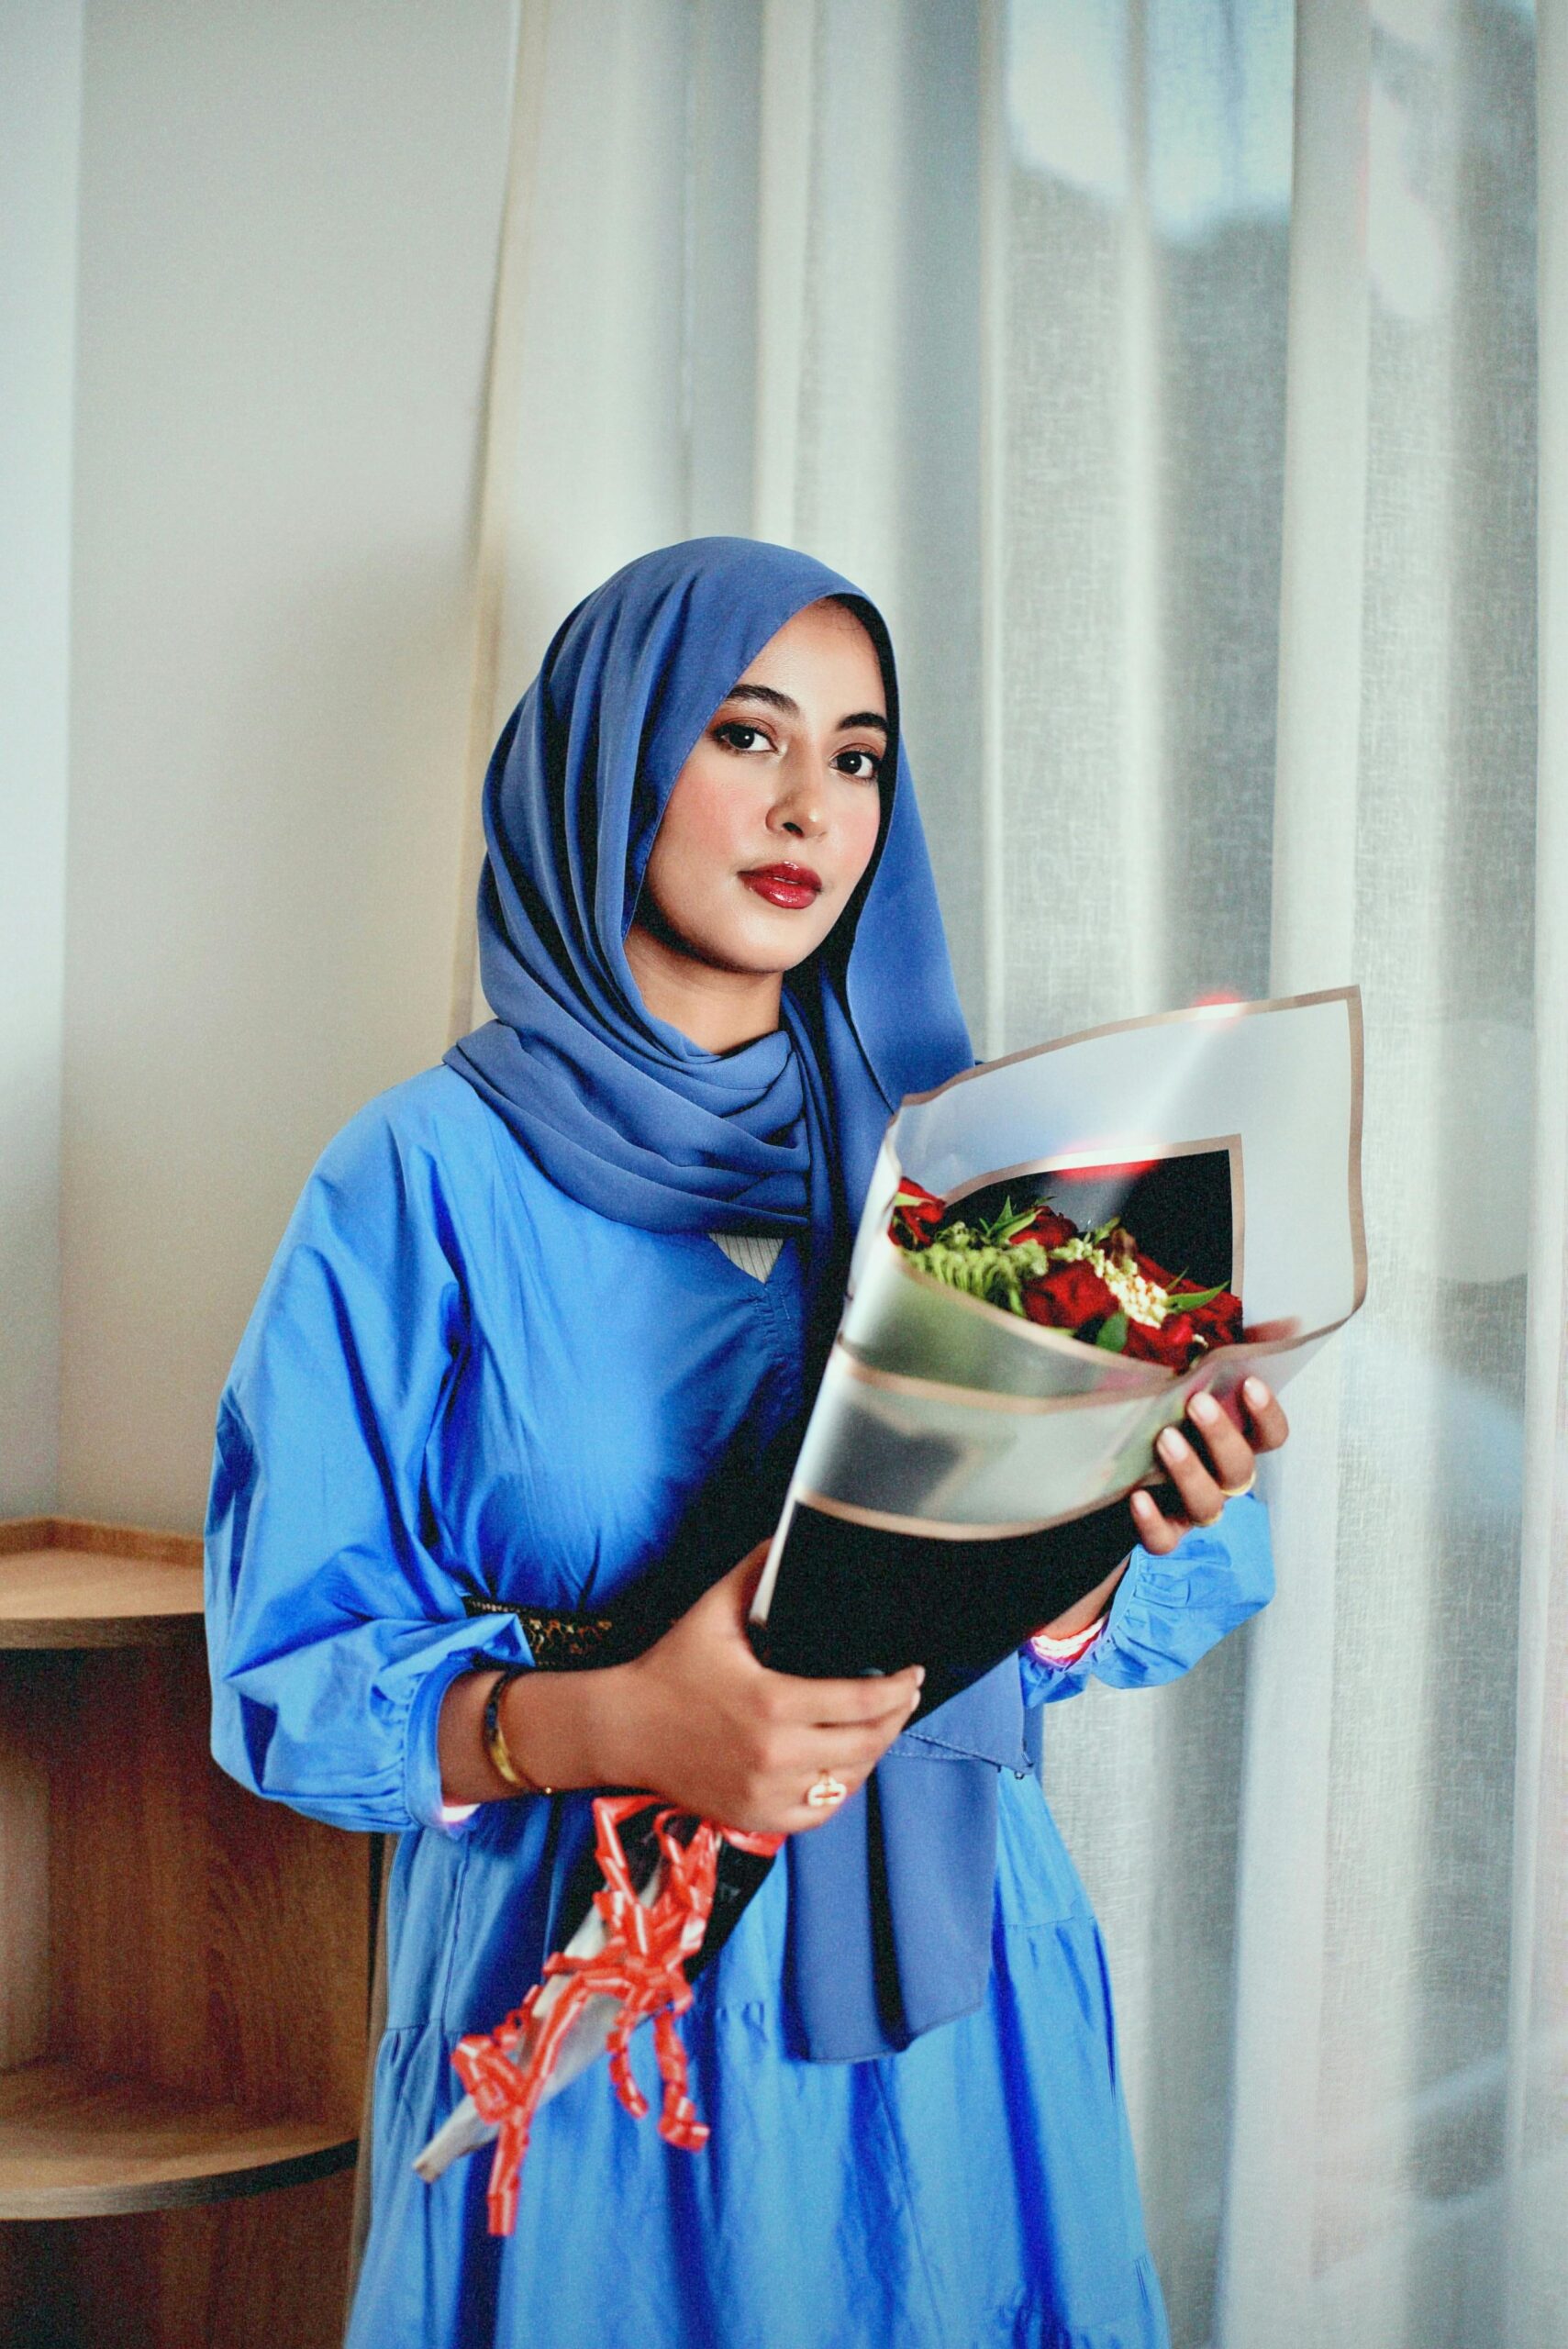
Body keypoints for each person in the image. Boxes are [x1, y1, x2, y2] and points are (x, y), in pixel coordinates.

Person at [205, 537, 1285, 2349]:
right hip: (593, 2016)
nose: (812, 802)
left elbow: (1152, 1593)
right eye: (744, 732)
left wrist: (1119, 1543)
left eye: (859, 755)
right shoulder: (417, 1176)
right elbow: (286, 1668)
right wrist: (617, 1718)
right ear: (614, 751)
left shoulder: (961, 1163)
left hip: (957, 2017)